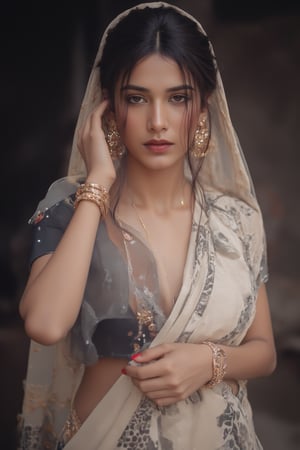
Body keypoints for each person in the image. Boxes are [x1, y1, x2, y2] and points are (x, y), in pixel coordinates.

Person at [17, 2, 277, 449]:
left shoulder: (236, 221)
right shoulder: (72, 205)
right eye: (137, 98)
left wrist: (208, 362)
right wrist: (98, 184)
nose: (158, 122)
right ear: (110, 108)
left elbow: (264, 351)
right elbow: (44, 322)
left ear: (202, 109)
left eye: (178, 98)